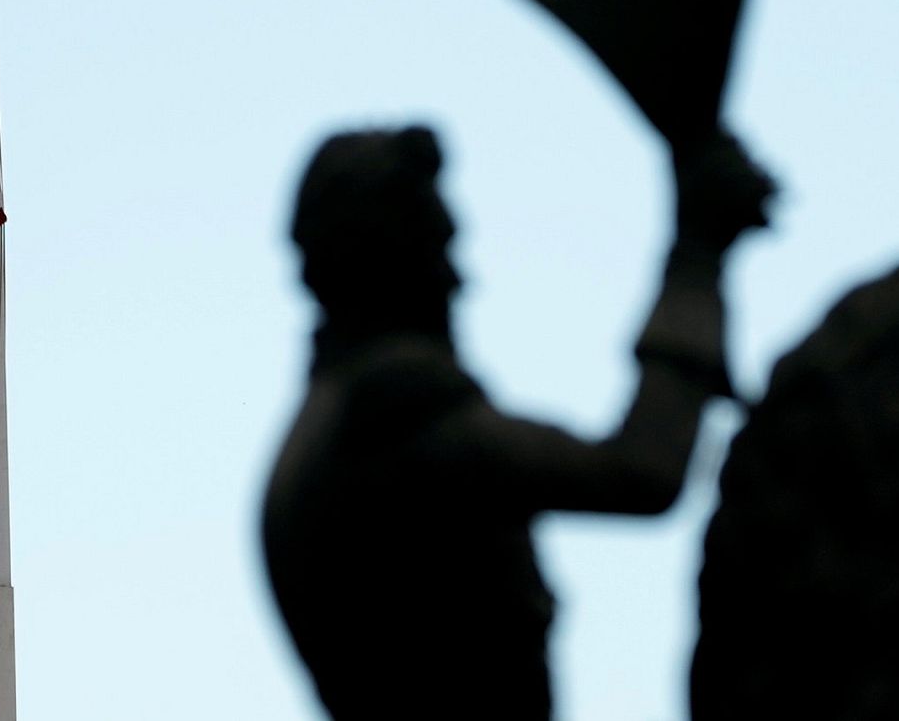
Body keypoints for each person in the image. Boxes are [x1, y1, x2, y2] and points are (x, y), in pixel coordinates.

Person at [261, 124, 773, 719]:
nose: (460, 284)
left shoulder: (320, 435)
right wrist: (696, 255)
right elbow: (641, 470)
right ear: (391, 262)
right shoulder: (389, 424)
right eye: (441, 255)